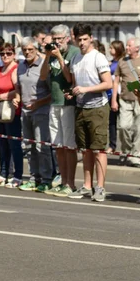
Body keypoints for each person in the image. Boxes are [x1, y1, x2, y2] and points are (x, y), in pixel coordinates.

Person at [67, 23, 113, 202]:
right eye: (79, 39)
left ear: (91, 38)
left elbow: (107, 83)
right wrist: (72, 93)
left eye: (85, 39)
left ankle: (100, 187)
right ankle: (87, 186)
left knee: (98, 150)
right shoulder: (76, 58)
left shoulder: (98, 57)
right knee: (85, 150)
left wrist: (85, 89)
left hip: (98, 107)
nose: (82, 43)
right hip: (81, 107)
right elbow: (74, 84)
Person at [41, 24, 80, 197]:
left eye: (60, 39)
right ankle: (62, 181)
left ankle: (70, 183)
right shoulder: (52, 53)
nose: (57, 42)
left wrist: (59, 58)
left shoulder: (73, 53)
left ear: (67, 38)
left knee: (69, 146)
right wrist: (47, 56)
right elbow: (43, 76)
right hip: (54, 103)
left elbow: (70, 77)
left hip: (68, 104)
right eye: (54, 39)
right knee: (58, 145)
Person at [17, 37, 52, 193]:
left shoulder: (44, 65)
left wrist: (38, 103)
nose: (28, 52)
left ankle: (46, 179)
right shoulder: (21, 66)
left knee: (41, 146)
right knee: (28, 146)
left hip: (41, 111)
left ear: (37, 49)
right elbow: (18, 86)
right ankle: (33, 178)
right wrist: (18, 98)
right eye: (25, 50)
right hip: (25, 111)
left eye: (31, 49)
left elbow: (53, 93)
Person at [0, 42, 23, 188]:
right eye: (2, 54)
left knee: (14, 144)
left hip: (12, 112)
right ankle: (3, 173)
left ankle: (17, 175)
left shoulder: (16, 69)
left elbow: (18, 90)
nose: (5, 56)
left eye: (9, 53)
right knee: (1, 144)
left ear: (14, 54)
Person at [112, 37, 140, 167]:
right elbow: (116, 81)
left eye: (129, 46)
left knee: (138, 129)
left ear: (137, 48)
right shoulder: (122, 61)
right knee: (123, 127)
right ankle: (126, 151)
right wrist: (114, 100)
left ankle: (136, 157)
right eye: (127, 46)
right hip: (124, 99)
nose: (126, 48)